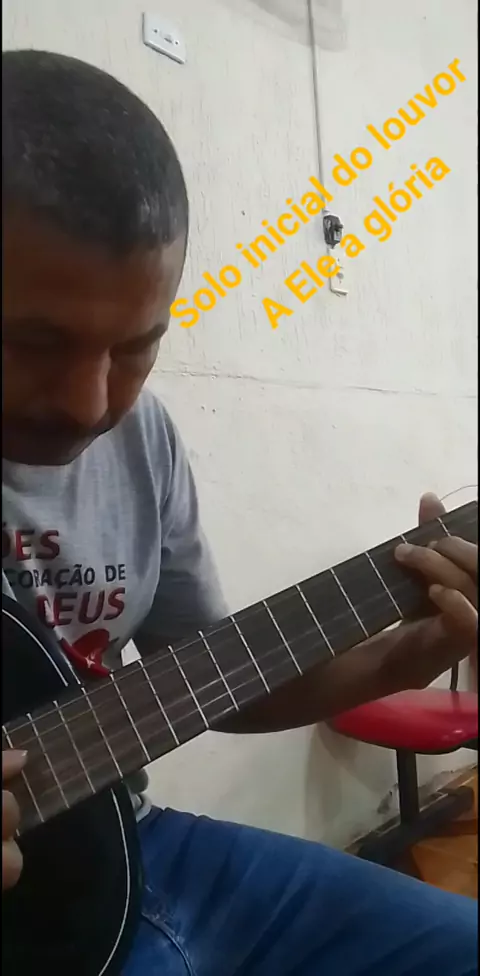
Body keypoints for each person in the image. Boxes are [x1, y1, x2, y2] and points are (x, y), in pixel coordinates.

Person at [2, 49, 477, 976]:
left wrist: (402, 654)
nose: (92, 403)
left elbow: (206, 682)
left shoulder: (143, 438)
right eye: (30, 342)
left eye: (136, 348)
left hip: (137, 845)